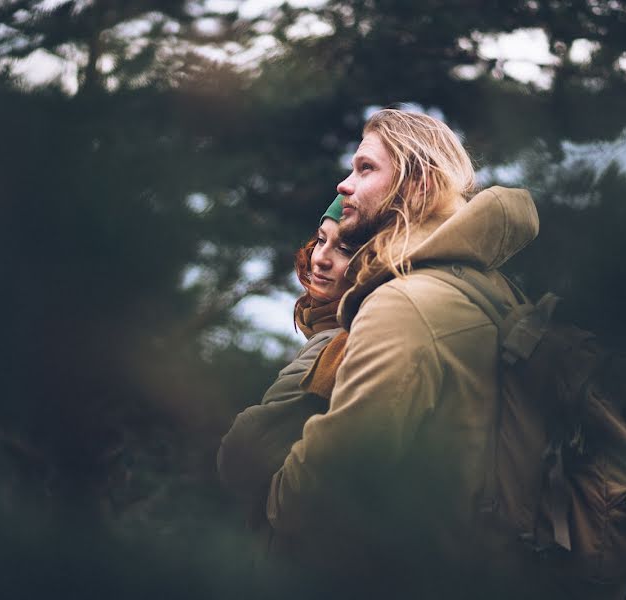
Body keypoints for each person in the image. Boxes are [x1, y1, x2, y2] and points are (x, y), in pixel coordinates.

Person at [264, 109, 567, 599]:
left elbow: (324, 487)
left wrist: (271, 489)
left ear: (417, 186)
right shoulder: (488, 288)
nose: (344, 185)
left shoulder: (402, 304)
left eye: (365, 169)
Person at [217, 194, 354, 545]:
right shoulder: (325, 330)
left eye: (345, 249)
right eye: (321, 240)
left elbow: (242, 452)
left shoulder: (337, 343)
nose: (320, 258)